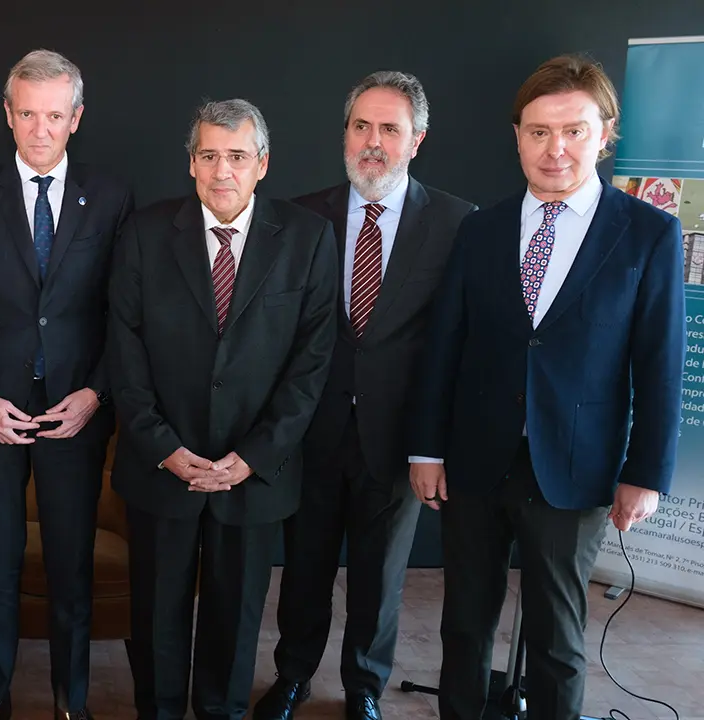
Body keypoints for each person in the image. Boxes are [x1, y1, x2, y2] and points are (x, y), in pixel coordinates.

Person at [408, 54, 685, 720]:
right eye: (537, 131)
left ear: (605, 133)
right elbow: (446, 345)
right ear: (517, 136)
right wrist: (425, 449)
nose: (554, 149)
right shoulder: (482, 228)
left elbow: (659, 362)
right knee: (464, 627)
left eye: (573, 131)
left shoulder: (648, 233)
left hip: (576, 469)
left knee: (558, 641)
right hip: (476, 462)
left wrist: (645, 473)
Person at [108, 98, 338, 720]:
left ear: (262, 164)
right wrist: (164, 449)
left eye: (237, 156)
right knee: (156, 617)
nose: (222, 171)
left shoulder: (309, 238)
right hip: (163, 466)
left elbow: (311, 365)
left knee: (236, 622)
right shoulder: (145, 235)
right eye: (208, 155)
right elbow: (124, 357)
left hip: (254, 472)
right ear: (190, 163)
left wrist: (252, 456)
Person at [256, 72, 476, 720]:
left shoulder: (456, 223)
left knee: (380, 581)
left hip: (400, 436)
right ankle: (292, 676)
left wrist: (435, 445)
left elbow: (456, 345)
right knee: (303, 570)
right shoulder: (299, 217)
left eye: (389, 129)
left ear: (418, 140)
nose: (373, 142)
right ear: (344, 135)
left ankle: (364, 688)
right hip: (311, 428)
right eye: (361, 127)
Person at [0, 48, 133, 720]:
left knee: (70, 567)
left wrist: (96, 393)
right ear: (8, 114)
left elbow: (122, 312)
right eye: (28, 113)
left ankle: (68, 699)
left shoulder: (110, 199)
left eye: (54, 115)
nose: (40, 128)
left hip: (75, 414)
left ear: (75, 118)